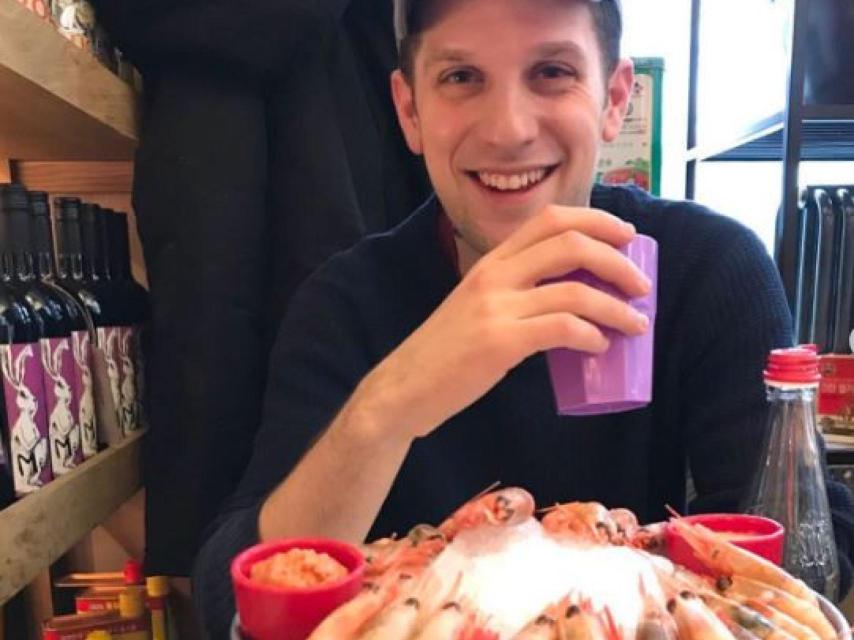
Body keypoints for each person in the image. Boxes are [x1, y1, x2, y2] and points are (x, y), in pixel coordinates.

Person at [193, 0, 854, 635]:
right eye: (460, 77)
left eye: (552, 73)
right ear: (409, 110)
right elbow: (231, 599)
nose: (509, 129)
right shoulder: (344, 303)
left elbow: (807, 568)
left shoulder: (710, 268)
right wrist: (389, 405)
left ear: (615, 98)